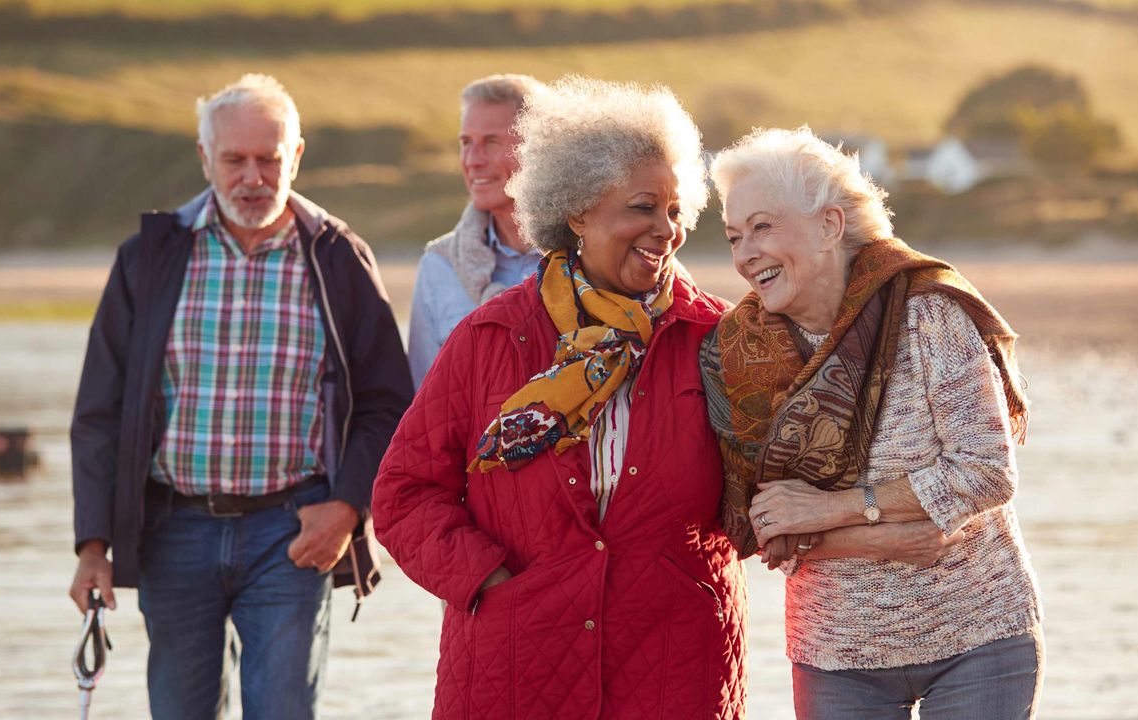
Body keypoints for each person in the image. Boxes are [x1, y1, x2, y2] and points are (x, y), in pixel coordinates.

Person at [373, 76, 747, 718]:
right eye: (642, 208)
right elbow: (404, 493)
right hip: (515, 664)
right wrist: (486, 580)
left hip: (674, 666)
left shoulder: (718, 339)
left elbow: (772, 490)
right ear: (577, 212)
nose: (667, 230)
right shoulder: (489, 336)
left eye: (676, 211)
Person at [67, 74, 413, 719]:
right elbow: (99, 415)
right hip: (171, 532)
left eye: (268, 158)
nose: (252, 177)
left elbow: (388, 403)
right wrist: (93, 546)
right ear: (205, 158)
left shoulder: (338, 258)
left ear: (296, 156)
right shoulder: (149, 258)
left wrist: (345, 508)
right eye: (234, 160)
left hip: (295, 533)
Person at [702, 126, 1043, 719]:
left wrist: (832, 510)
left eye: (763, 226)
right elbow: (763, 526)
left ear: (830, 225)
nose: (745, 253)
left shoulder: (926, 312)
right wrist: (888, 535)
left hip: (979, 635)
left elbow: (986, 472)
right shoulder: (738, 351)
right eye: (734, 236)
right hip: (835, 652)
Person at [407, 73, 545, 388]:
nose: (471, 160)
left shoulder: (595, 258)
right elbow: (422, 405)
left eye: (491, 142)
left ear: (539, 149)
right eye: (466, 143)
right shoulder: (438, 266)